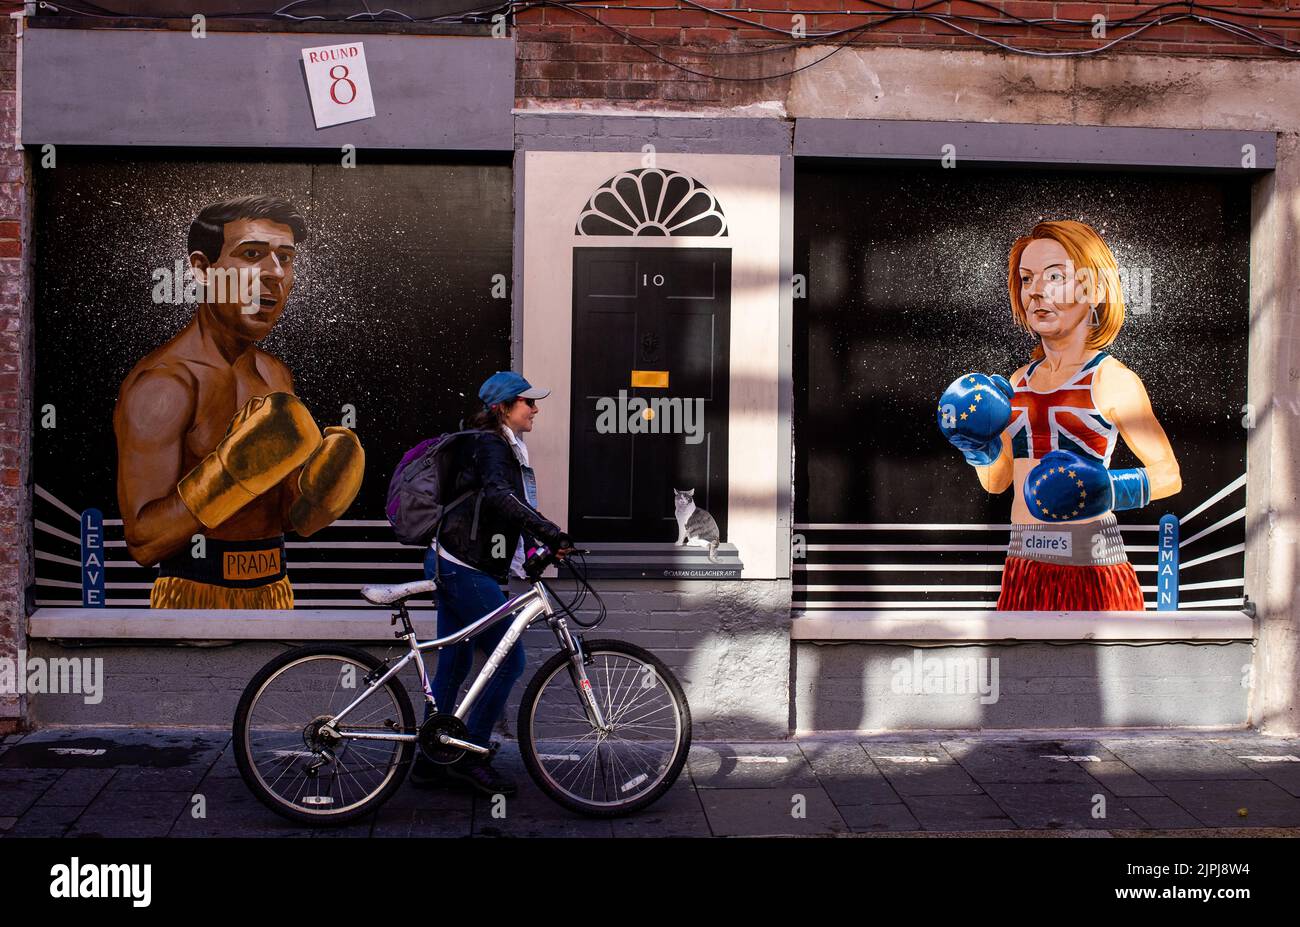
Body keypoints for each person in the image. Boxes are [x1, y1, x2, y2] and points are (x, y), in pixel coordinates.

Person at [113, 195, 364, 609]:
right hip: (193, 596)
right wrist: (228, 473)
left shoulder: (274, 375)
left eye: (286, 258)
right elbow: (143, 542)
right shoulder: (165, 384)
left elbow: (281, 517)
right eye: (252, 254)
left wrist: (318, 498)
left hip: (276, 591)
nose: (274, 274)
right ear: (202, 269)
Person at [938, 220, 1181, 610]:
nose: (1035, 291)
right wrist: (977, 447)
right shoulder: (1017, 382)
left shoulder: (1111, 379)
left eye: (1055, 276)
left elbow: (1169, 475)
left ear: (1096, 288)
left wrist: (1103, 490)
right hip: (1024, 565)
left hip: (1093, 568)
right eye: (1026, 278)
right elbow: (997, 483)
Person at [410, 370, 572, 795]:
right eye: (527, 402)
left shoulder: (497, 445)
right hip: (464, 567)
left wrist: (534, 548)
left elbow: (500, 507)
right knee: (510, 661)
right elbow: (502, 498)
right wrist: (552, 533)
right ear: (503, 408)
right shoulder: (492, 446)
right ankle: (470, 752)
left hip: (454, 562)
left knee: (457, 662)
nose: (535, 409)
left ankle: (433, 758)